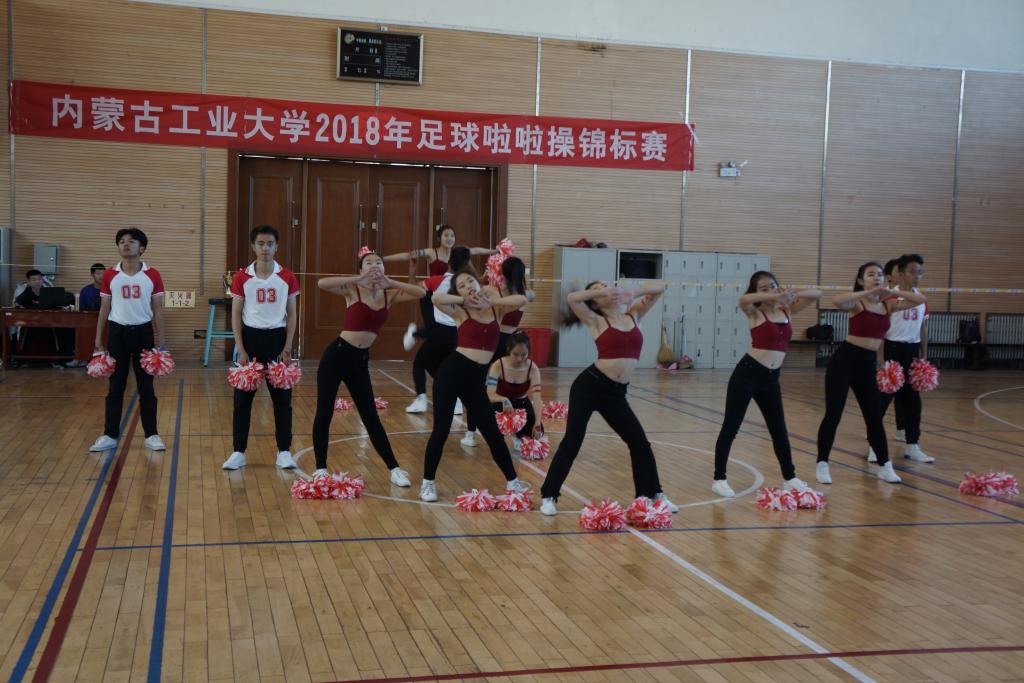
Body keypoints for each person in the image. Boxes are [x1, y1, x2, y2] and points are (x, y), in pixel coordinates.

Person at [539, 281, 678, 516]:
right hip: (589, 387)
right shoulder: (595, 320)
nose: (607, 290)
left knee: (639, 443)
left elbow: (661, 287)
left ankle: (652, 494)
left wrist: (633, 292)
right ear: (595, 302)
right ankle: (549, 495)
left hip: (616, 394)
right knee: (572, 441)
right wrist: (602, 292)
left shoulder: (634, 314)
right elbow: (573, 298)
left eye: (607, 286)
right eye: (600, 290)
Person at [311, 250, 427, 485]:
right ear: (361, 269)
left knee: (370, 416)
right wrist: (358, 279)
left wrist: (390, 282)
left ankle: (394, 469)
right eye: (368, 263)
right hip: (336, 357)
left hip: (360, 361)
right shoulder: (352, 290)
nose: (374, 265)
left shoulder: (388, 295)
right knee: (324, 412)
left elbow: (421, 293)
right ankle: (320, 468)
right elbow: (322, 283)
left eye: (378, 262)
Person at [419, 269, 530, 502]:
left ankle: (513, 481)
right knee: (441, 430)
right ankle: (428, 483)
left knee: (492, 432)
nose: (468, 286)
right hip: (451, 374)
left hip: (476, 380)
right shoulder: (461, 311)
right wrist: (463, 300)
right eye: (461, 285)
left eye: (470, 281)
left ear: (478, 283)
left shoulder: (497, 310)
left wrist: (493, 301)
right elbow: (436, 298)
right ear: (457, 292)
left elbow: (522, 298)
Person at [815, 261, 927, 485]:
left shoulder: (889, 304)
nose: (876, 278)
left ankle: (885, 466)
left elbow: (920, 300)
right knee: (833, 414)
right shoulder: (857, 303)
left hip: (867, 364)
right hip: (844, 361)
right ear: (861, 280)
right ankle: (822, 463)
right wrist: (867, 292)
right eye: (870, 275)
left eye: (879, 275)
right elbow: (837, 300)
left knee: (874, 416)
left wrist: (890, 291)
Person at [712, 272, 821, 497]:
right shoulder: (755, 312)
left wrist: (789, 293)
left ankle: (790, 478)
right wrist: (771, 296)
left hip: (771, 379)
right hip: (747, 374)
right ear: (756, 292)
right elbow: (743, 300)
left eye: (773, 285)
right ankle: (719, 479)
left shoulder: (786, 310)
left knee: (779, 429)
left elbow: (816, 294)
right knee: (731, 426)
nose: (770, 290)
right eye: (764, 288)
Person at [222, 226, 300, 471]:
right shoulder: (242, 277)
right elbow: (236, 314)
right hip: (250, 340)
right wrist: (240, 347)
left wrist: (288, 345)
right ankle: (238, 452)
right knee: (242, 401)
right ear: (253, 247)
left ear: (277, 247)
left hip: (277, 340)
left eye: (270, 244)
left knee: (282, 401)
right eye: (260, 243)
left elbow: (292, 313)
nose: (265, 248)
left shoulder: (287, 276)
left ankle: (284, 451)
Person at [89, 228, 167, 453]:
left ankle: (152, 435)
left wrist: (161, 342)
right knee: (116, 386)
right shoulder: (110, 275)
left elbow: (158, 309)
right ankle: (110, 434)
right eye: (122, 241)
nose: (126, 244)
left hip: (143, 333)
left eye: (132, 241)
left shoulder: (153, 275)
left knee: (146, 387)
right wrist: (98, 339)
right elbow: (104, 308)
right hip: (117, 333)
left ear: (141, 248)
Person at [385, 224, 496, 351]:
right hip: (431, 291)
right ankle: (416, 334)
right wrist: (382, 259)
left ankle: (421, 337)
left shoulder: (457, 252)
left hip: (451, 294)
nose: (449, 238)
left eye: (452, 236)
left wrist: (494, 251)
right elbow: (408, 255)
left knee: (449, 328)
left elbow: (475, 250)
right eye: (446, 235)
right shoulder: (431, 252)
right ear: (439, 238)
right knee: (435, 328)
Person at [868, 253, 934, 464]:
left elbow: (922, 328)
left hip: (912, 351)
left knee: (913, 403)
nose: (917, 276)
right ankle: (874, 446)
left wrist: (924, 356)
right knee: (882, 401)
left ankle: (913, 445)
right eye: (913, 272)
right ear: (901, 273)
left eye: (920, 272)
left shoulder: (921, 299)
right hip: (892, 349)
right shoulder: (889, 297)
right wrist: (881, 360)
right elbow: (879, 330)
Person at [461, 256, 532, 446]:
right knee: (512, 389)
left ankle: (471, 433)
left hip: (491, 343)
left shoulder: (492, 291)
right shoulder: (525, 294)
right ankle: (517, 436)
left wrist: (480, 278)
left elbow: (474, 294)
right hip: (511, 346)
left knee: (478, 389)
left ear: (502, 274)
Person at [402, 245, 472, 415]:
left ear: (449, 262)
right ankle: (455, 399)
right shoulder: (469, 285)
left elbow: (412, 289)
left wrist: (412, 269)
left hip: (438, 331)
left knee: (419, 364)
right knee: (439, 368)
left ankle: (421, 400)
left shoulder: (438, 280)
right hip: (457, 334)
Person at [485, 330, 544, 452]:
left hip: (522, 403)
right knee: (493, 432)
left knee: (538, 433)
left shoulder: (533, 368)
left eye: (524, 354)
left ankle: (518, 434)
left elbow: (537, 399)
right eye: (515, 354)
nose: (519, 358)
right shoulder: (498, 365)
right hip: (500, 402)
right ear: (508, 350)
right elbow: (490, 395)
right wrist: (503, 399)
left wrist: (537, 423)